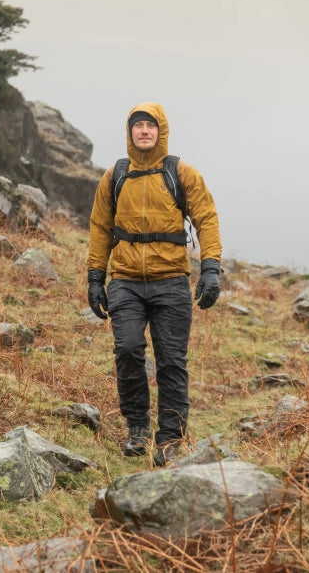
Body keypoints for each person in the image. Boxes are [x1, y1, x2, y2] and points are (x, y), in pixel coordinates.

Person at [87, 102, 222, 467]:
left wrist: (210, 267)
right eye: (138, 126)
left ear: (161, 131)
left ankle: (170, 440)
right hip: (126, 281)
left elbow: (206, 218)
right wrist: (96, 277)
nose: (144, 131)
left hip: (172, 283)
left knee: (171, 362)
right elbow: (100, 227)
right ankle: (136, 429)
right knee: (128, 349)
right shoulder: (115, 176)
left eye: (151, 125)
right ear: (129, 132)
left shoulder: (181, 173)